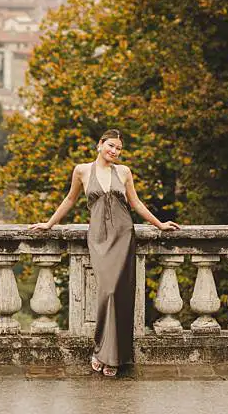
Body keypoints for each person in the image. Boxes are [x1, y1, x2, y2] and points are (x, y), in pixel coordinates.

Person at [28, 128, 180, 377]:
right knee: (106, 292)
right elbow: (69, 200)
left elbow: (136, 203)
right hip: (98, 237)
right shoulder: (82, 170)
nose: (115, 151)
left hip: (123, 235)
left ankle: (115, 358)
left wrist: (160, 224)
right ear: (99, 145)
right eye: (111, 146)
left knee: (120, 296)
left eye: (119, 148)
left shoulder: (124, 172)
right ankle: (101, 350)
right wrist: (48, 224)